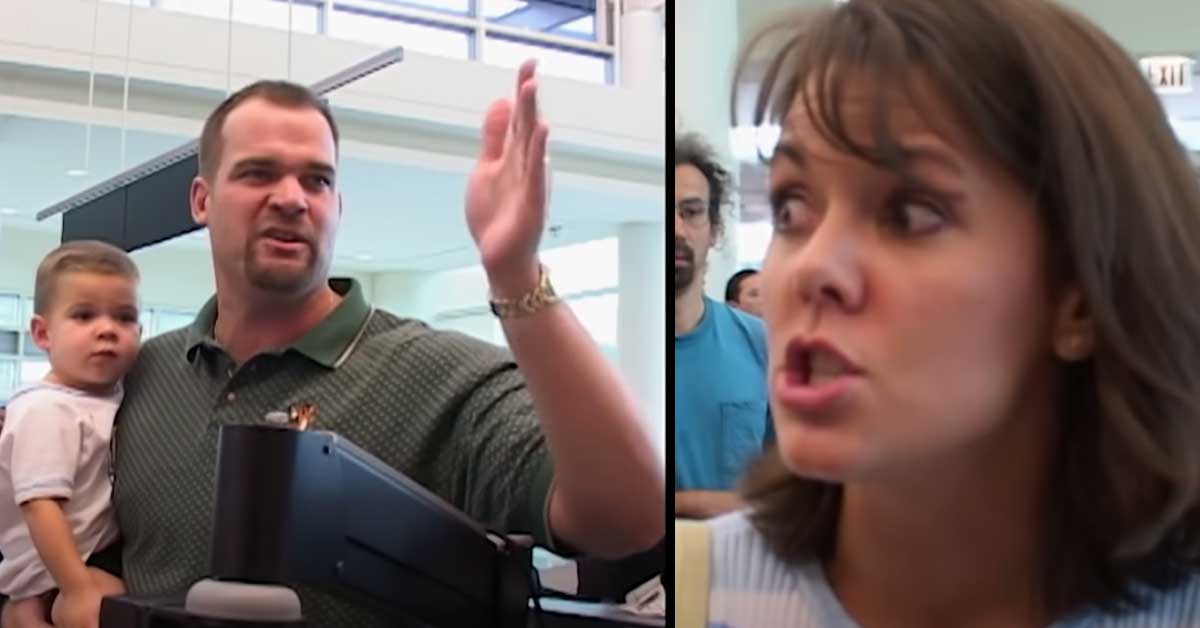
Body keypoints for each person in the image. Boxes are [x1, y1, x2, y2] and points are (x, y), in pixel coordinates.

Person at [74, 60, 664, 628]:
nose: (291, 197)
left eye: (317, 179)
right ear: (202, 200)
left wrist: (515, 275)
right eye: (258, 173)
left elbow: (630, 515)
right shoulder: (142, 374)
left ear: (337, 207)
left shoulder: (438, 378)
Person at [676, 0, 1200, 626]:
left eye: (910, 213)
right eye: (792, 208)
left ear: (1080, 297)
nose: (812, 267)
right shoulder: (697, 593)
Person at [0, 241, 141, 628]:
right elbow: (39, 505)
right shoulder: (45, 408)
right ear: (43, 333)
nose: (107, 330)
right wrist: (77, 587)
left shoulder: (115, 395)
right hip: (54, 573)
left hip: (87, 559)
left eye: (124, 317)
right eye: (84, 315)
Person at [674, 133, 771, 520]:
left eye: (691, 212)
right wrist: (693, 506)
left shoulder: (760, 344)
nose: (678, 229)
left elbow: (793, 489)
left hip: (744, 573)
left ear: (714, 229)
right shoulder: (617, 368)